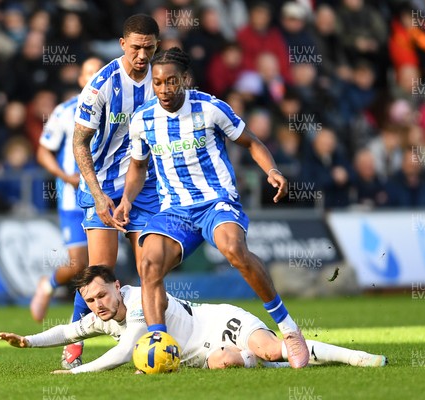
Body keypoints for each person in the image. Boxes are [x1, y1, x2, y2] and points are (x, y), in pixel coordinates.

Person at [112, 47, 309, 368]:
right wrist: (127, 200)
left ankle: (288, 329)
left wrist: (271, 170)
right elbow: (137, 166)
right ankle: (159, 344)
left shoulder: (210, 108)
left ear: (184, 80)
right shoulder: (143, 120)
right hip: (175, 211)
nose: (164, 89)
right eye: (158, 82)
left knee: (234, 250)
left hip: (216, 201)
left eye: (171, 81)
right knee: (148, 265)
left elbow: (252, 143)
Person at [0, 266, 387, 373]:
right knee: (226, 363)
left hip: (218, 322)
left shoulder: (136, 305)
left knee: (272, 351)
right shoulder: (102, 315)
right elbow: (68, 330)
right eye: (91, 300)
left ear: (118, 286)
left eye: (102, 294)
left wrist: (76, 374)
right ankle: (253, 359)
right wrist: (29, 341)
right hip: (202, 354)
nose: (98, 305)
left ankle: (353, 357)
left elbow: (123, 353)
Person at [68, 14, 161, 368]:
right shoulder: (101, 85)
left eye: (149, 48)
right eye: (136, 47)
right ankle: (74, 347)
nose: (142, 55)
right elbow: (80, 143)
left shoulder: (161, 80)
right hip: (103, 184)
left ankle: (156, 339)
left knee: (151, 267)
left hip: (146, 187)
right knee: (99, 271)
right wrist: (96, 192)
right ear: (123, 44)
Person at [30, 57, 105, 323]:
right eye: (89, 72)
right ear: (81, 80)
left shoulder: (116, 110)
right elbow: (43, 152)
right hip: (73, 199)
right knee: (78, 264)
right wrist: (65, 177)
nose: (95, 76)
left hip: (106, 196)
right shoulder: (65, 111)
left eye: (99, 72)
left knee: (101, 264)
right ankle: (48, 284)